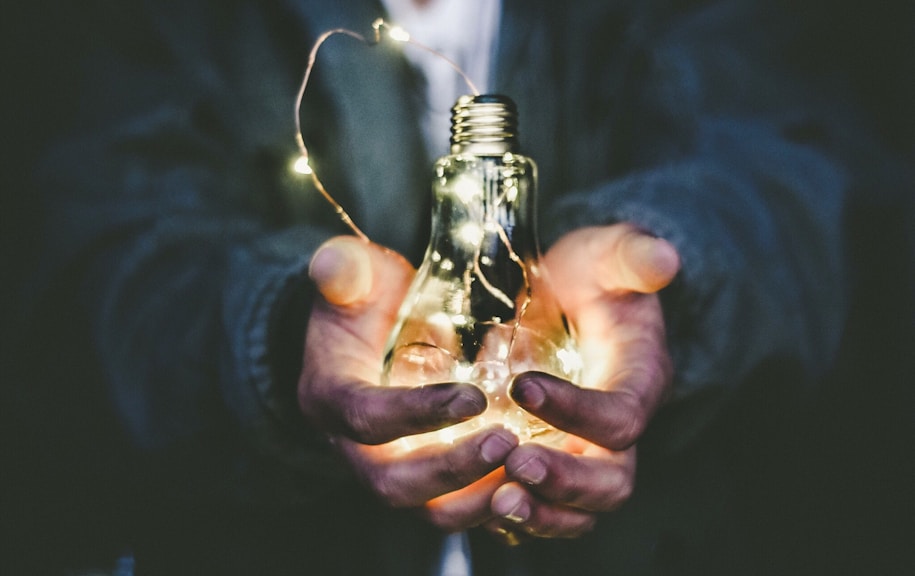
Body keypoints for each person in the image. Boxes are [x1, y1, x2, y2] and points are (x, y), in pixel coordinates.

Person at [6, 0, 910, 574]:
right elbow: (85, 250)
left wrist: (666, 275)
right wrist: (279, 337)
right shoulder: (171, 26)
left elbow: (800, 169)